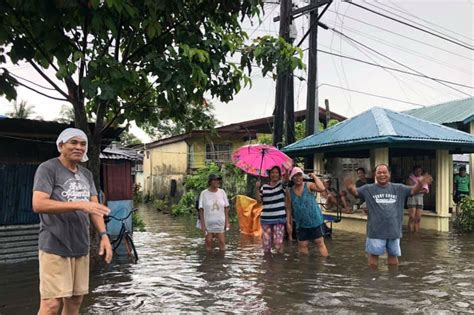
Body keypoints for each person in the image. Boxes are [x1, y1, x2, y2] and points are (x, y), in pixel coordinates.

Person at [32, 128, 113, 315]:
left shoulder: (86, 175)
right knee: (51, 304)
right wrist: (79, 205)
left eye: (83, 144)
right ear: (61, 146)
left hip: (80, 245)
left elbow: (95, 208)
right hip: (54, 244)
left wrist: (104, 235)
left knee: (75, 301)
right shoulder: (48, 168)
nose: (79, 147)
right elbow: (38, 203)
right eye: (73, 143)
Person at [345, 164, 432, 269]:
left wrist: (420, 184)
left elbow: (413, 190)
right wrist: (349, 187)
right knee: (373, 260)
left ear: (389, 174)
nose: (382, 175)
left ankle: (393, 281)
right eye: (379, 172)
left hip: (394, 231)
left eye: (384, 172)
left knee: (393, 259)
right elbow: (355, 192)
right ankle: (373, 282)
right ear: (375, 175)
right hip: (375, 232)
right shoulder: (368, 189)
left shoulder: (399, 188)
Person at [287, 167, 329, 256]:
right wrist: (288, 223)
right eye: (295, 176)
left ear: (302, 176)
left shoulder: (308, 185)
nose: (298, 178)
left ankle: (324, 265)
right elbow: (289, 209)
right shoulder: (289, 191)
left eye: (299, 175)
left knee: (319, 243)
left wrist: (314, 177)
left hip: (315, 221)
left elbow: (322, 188)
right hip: (301, 223)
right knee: (302, 246)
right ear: (292, 178)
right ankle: (304, 268)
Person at [255, 166, 292, 253]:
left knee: (278, 243)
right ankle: (268, 264)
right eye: (272, 172)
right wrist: (257, 188)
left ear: (279, 175)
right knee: (266, 244)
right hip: (266, 219)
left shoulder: (281, 185)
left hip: (279, 218)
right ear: (269, 174)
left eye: (276, 172)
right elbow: (259, 201)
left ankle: (279, 264)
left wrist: (286, 170)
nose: (274, 174)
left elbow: (286, 180)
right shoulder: (264, 187)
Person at [199, 174, 230, 251]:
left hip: (220, 223)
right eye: (215, 180)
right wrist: (203, 225)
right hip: (208, 223)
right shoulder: (204, 193)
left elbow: (226, 208)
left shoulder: (222, 192)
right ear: (210, 182)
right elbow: (201, 209)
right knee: (208, 242)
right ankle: (210, 261)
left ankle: (220, 261)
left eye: (218, 180)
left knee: (222, 242)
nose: (217, 182)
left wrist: (227, 222)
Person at [406, 166, 429, 233]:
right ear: (413, 171)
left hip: (420, 199)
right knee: (412, 217)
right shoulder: (410, 179)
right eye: (417, 171)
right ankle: (410, 234)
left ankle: (416, 234)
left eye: (420, 171)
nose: (418, 172)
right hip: (412, 199)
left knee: (418, 219)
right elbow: (411, 189)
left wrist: (416, 190)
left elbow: (425, 190)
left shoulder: (423, 179)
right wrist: (419, 189)